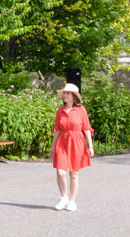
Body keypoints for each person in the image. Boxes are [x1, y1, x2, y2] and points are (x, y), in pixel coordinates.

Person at [49, 83, 93, 212]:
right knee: (60, 171)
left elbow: (86, 128)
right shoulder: (60, 111)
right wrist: (52, 147)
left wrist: (90, 146)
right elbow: (57, 130)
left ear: (74, 96)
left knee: (74, 173)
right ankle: (63, 197)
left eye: (68, 93)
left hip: (77, 141)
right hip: (62, 141)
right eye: (64, 93)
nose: (65, 95)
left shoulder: (81, 110)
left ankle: (72, 201)